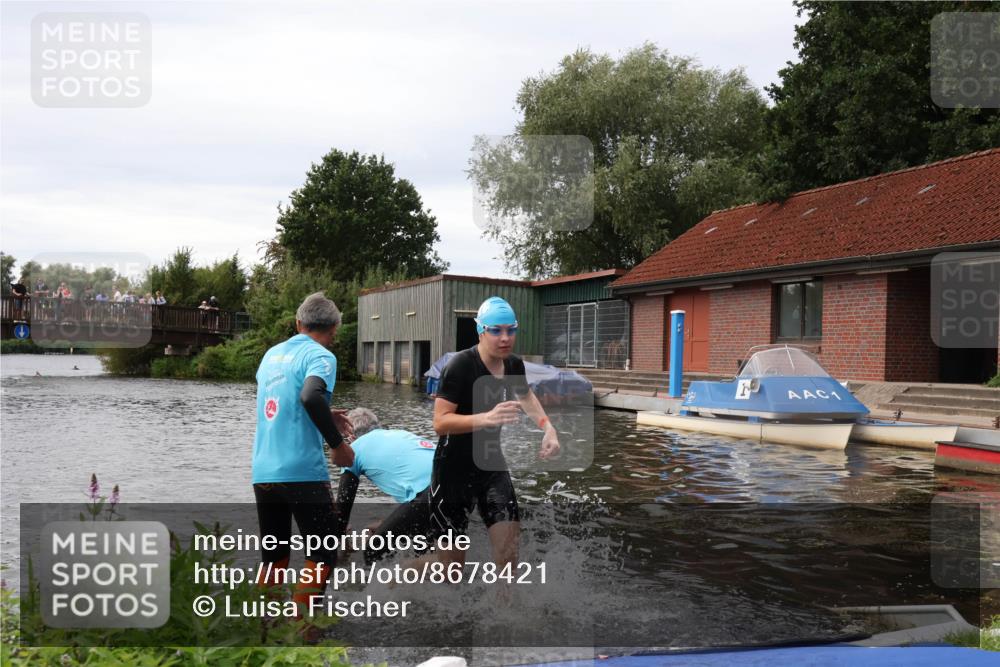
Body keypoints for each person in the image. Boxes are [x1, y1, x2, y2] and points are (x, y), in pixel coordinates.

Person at [430, 296, 560, 573]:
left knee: (508, 552)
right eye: (496, 331)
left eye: (510, 330)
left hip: (491, 464)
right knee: (450, 571)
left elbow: (526, 397)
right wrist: (486, 418)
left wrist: (547, 427)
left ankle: (505, 613)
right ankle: (404, 572)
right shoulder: (461, 366)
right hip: (452, 470)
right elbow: (440, 423)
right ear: (481, 331)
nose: (505, 338)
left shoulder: (513, 365)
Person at [251, 291, 355, 632]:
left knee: (274, 555)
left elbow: (286, 403)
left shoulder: (270, 355)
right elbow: (309, 396)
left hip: (263, 471)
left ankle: (261, 630)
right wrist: (337, 445)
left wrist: (326, 413)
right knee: (323, 553)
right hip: (302, 473)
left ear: (298, 323)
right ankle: (301, 633)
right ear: (335, 327)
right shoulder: (321, 355)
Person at [334, 408, 436, 565]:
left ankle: (376, 588)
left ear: (350, 436)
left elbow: (342, 513)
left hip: (428, 494)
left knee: (373, 551)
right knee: (420, 547)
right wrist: (387, 524)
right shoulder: (401, 434)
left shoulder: (353, 450)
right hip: (456, 488)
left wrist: (343, 540)